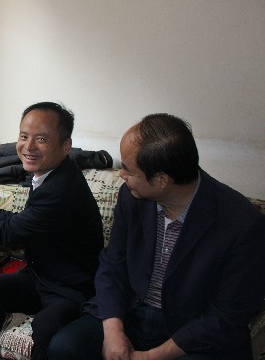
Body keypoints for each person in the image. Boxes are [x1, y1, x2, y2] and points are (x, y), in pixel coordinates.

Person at [46, 113, 265, 360]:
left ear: (161, 180)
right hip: (131, 313)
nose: (121, 175)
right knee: (65, 347)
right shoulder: (131, 196)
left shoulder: (242, 223)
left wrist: (151, 357)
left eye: (128, 170)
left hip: (193, 332)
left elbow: (226, 315)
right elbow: (112, 264)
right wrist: (114, 331)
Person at [0, 102, 104, 360]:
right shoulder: (48, 174)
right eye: (24, 136)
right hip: (39, 276)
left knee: (46, 327)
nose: (28, 147)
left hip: (69, 289)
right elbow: (20, 222)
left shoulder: (61, 189)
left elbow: (8, 233)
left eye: (41, 139)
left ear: (66, 146)